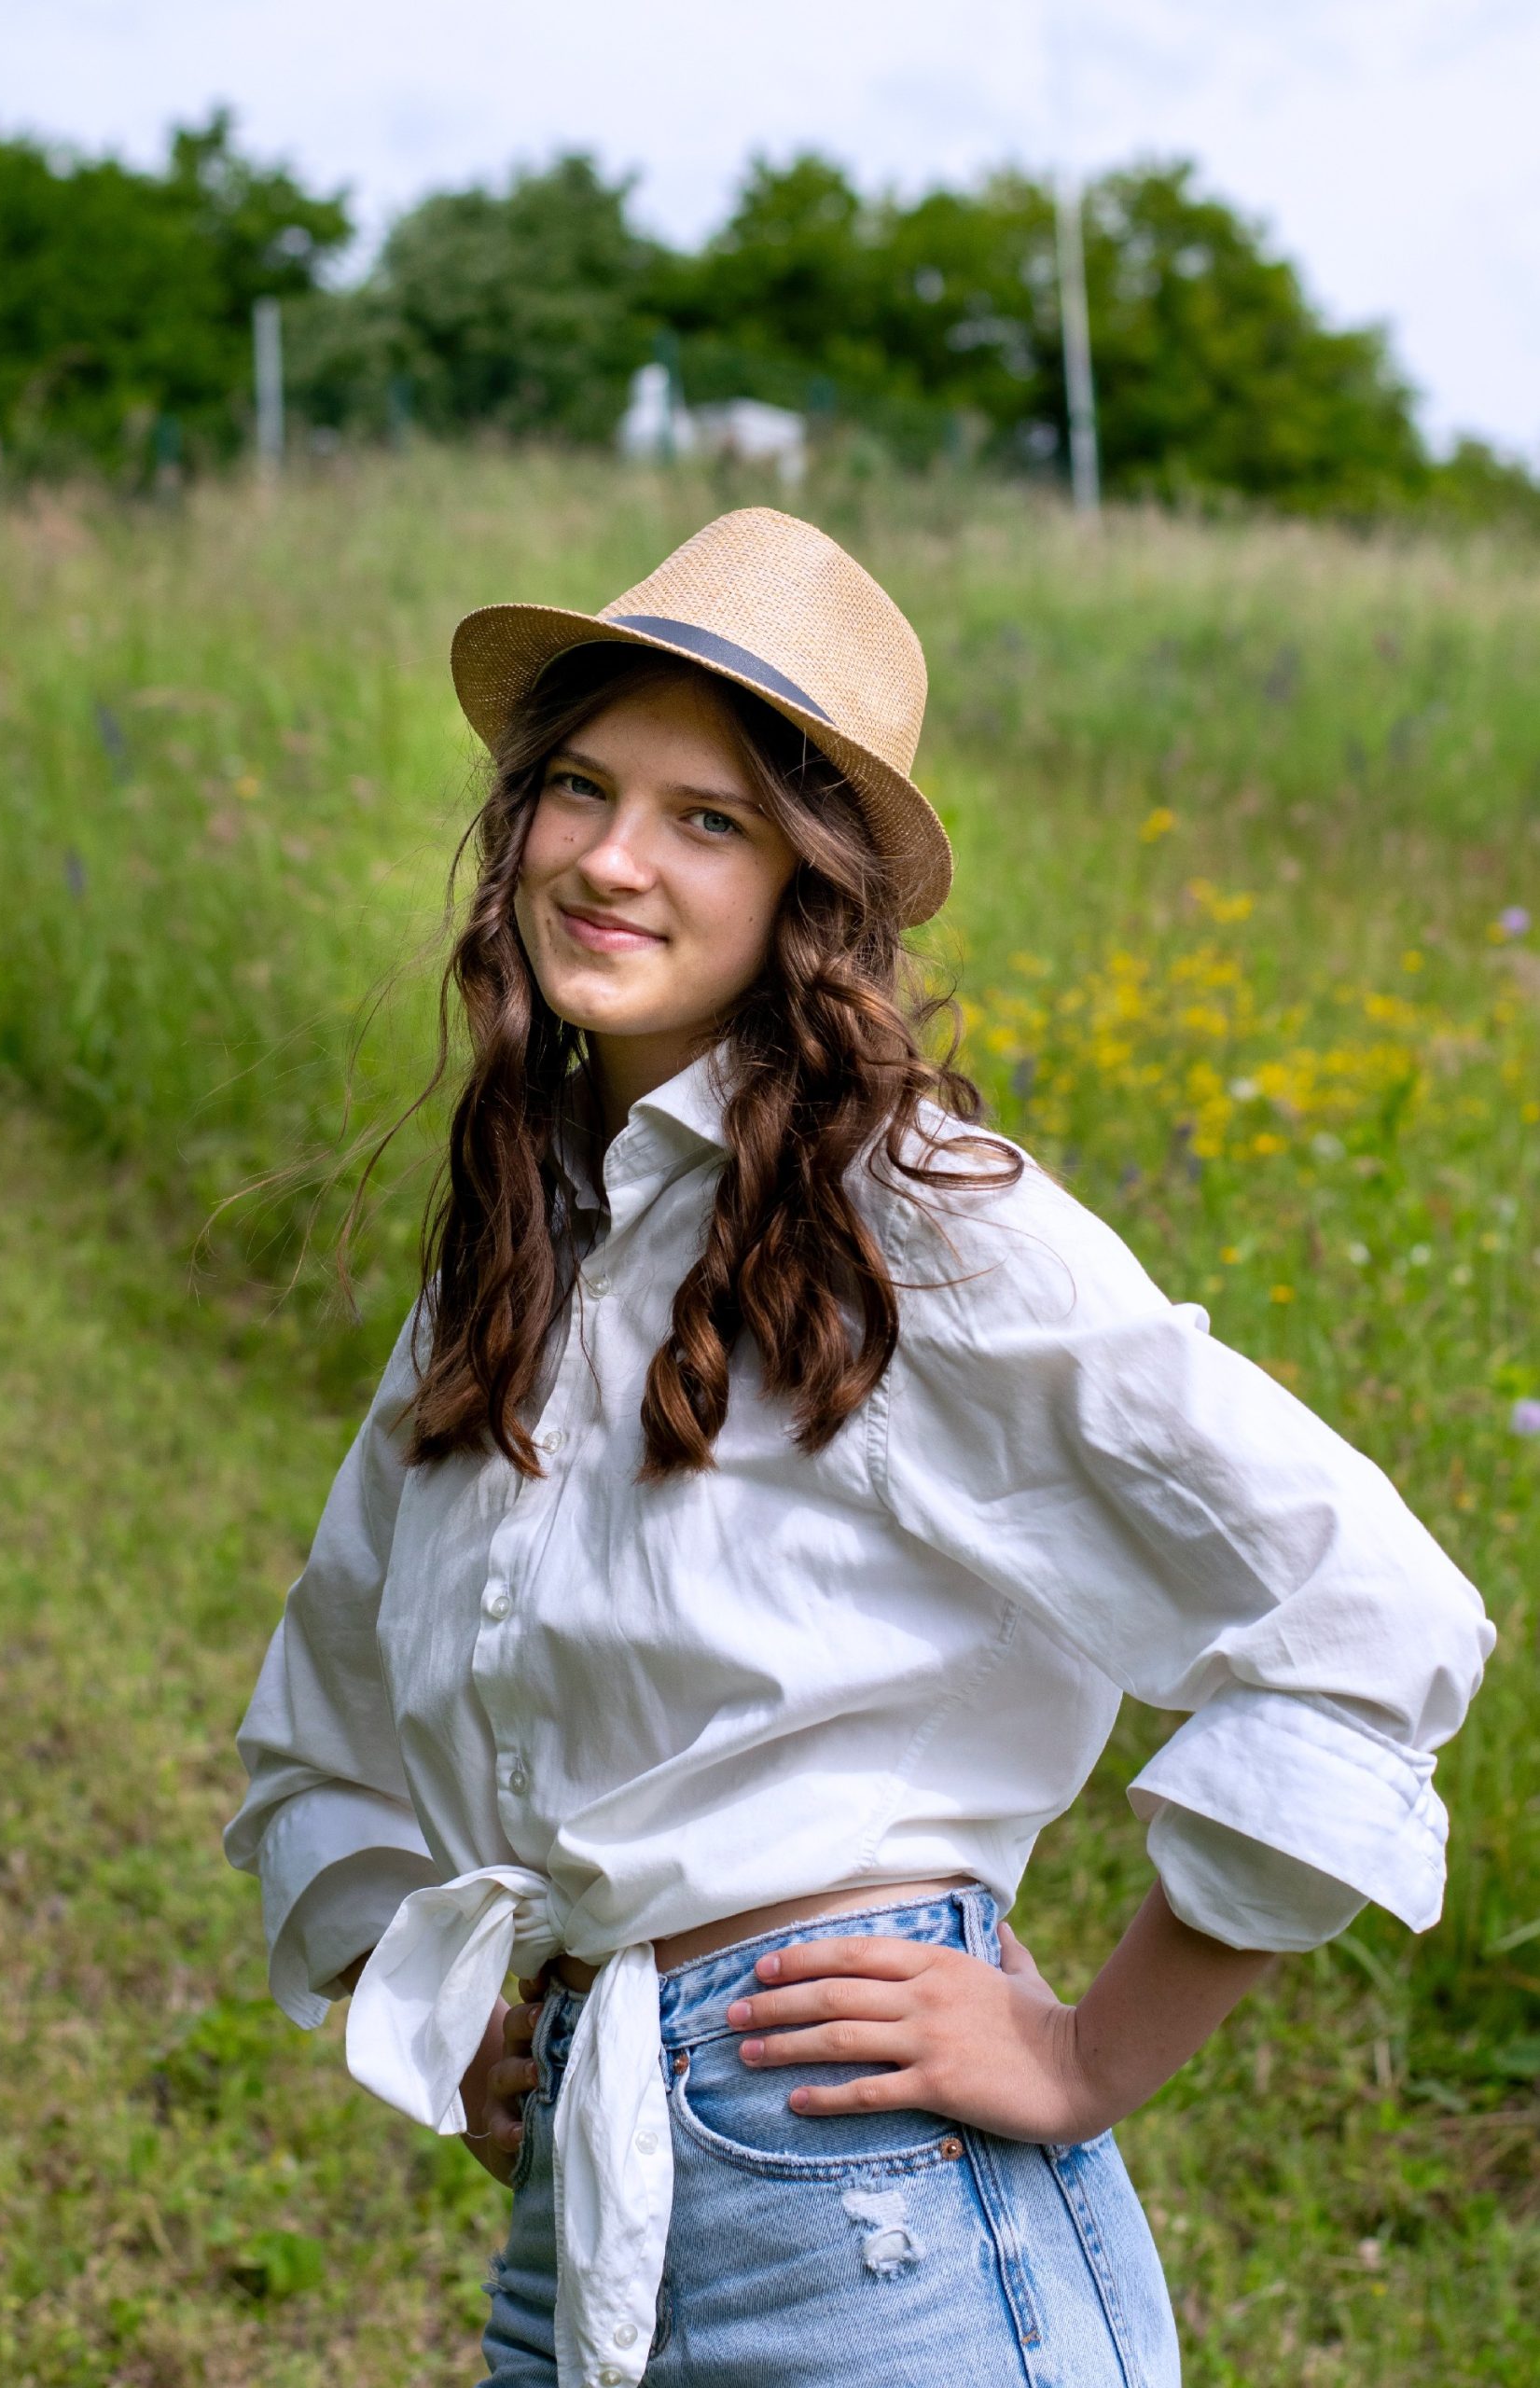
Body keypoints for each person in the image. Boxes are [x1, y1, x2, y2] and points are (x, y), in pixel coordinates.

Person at [224, 507, 1491, 2387]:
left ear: (801, 889)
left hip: (877, 2212)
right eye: (578, 788)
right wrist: (462, 1994)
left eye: (705, 819)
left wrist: (1086, 2053)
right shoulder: (524, 1246)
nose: (611, 858)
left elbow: (1365, 1613)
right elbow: (320, 1719)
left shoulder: (907, 1219)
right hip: (589, 2199)